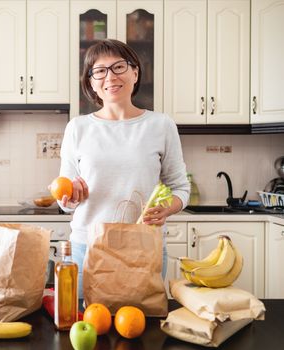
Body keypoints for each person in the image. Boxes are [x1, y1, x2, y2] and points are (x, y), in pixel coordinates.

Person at [57, 39, 190, 298]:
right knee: (89, 324)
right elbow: (65, 200)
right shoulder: (77, 128)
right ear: (91, 82)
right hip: (88, 247)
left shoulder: (161, 125)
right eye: (99, 71)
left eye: (119, 67)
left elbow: (180, 188)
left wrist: (167, 208)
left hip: (143, 247)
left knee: (141, 328)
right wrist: (70, 196)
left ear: (135, 72)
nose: (110, 76)